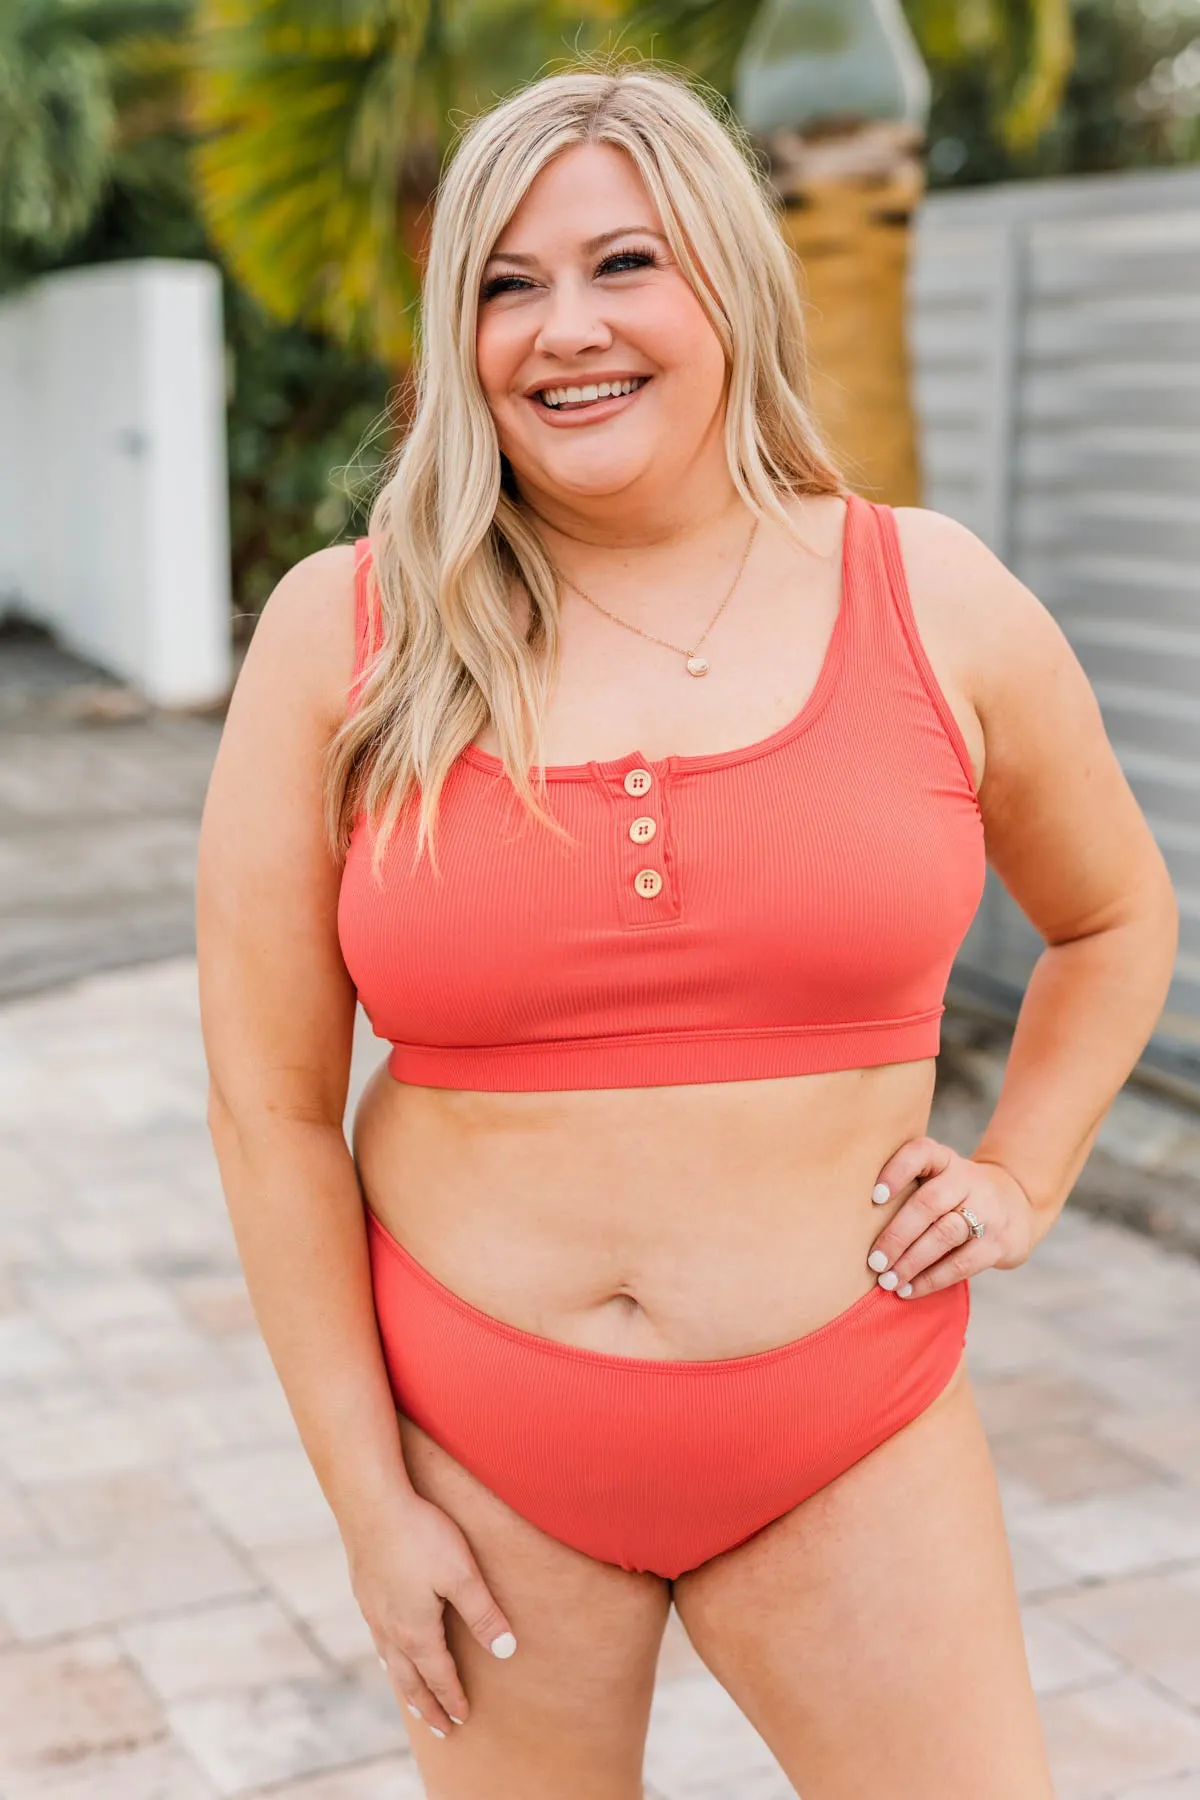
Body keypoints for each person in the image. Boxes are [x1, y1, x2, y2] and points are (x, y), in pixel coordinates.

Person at [197, 58, 1178, 1800]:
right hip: (478, 1456)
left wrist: (1025, 1170)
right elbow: (270, 1108)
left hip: (846, 1429)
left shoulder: (932, 594)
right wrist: (370, 1508)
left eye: (623, 263)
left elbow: (1112, 917)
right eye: (507, 283)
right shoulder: (343, 630)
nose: (563, 326)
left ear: (730, 277)